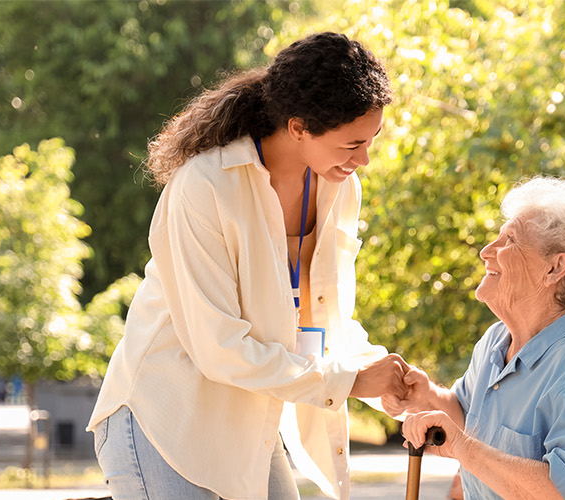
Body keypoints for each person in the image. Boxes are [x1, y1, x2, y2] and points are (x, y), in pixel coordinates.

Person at [87, 32, 411, 500]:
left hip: (248, 425)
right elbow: (218, 346)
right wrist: (351, 381)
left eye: (372, 140)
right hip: (165, 422)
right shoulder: (204, 186)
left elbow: (323, 315)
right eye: (351, 145)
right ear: (298, 127)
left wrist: (385, 375)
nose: (363, 160)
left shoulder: (340, 186)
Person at [391, 177, 565, 499]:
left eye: (509, 240)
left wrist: (462, 448)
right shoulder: (498, 342)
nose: (486, 252)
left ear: (555, 268)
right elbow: (468, 419)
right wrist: (426, 396)